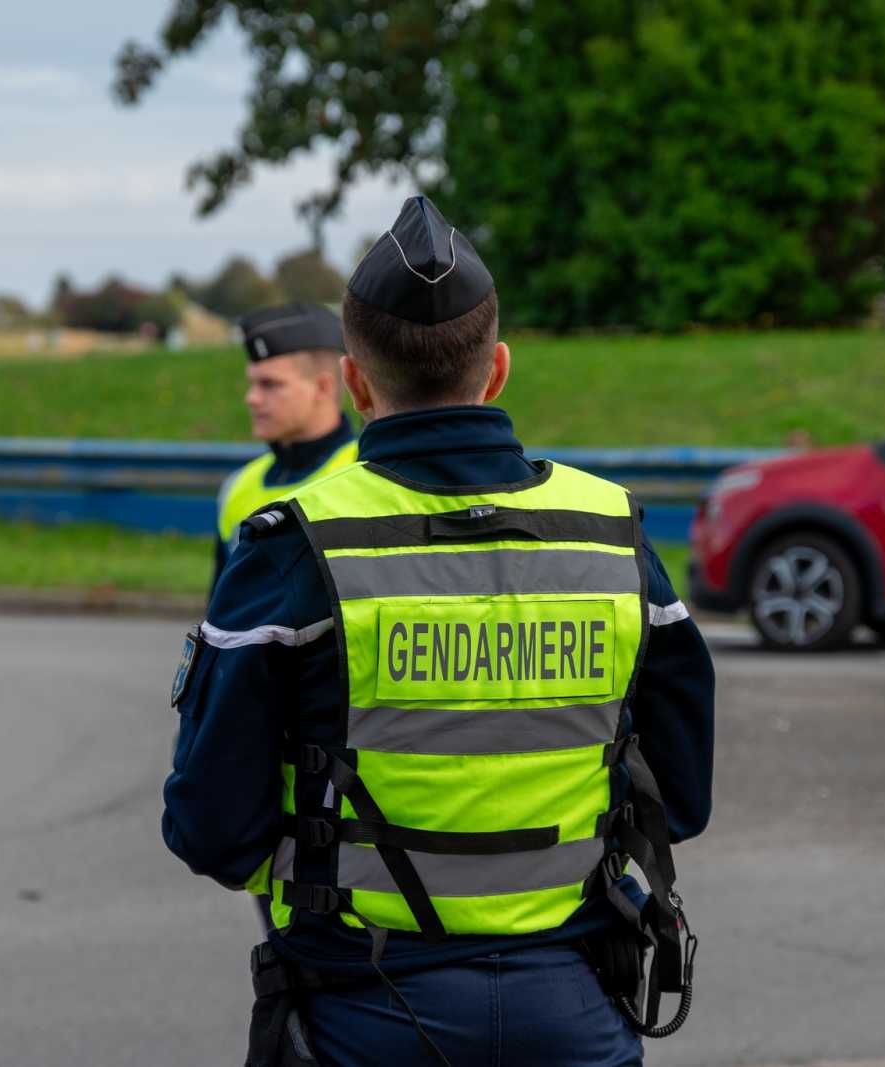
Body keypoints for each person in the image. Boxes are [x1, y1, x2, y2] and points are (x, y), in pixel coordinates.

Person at [165, 197, 714, 1067]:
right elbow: (679, 799)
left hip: (362, 1011)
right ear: (497, 370)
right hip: (572, 1009)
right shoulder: (613, 534)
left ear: (354, 383)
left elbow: (210, 827)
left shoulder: (294, 546)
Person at [212, 303, 358, 594]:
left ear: (323, 387)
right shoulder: (237, 486)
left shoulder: (366, 472)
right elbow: (219, 612)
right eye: (253, 383)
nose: (252, 398)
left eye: (270, 384)